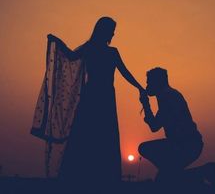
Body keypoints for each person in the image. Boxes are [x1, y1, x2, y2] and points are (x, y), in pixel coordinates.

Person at [47, 17, 145, 190]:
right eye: (112, 30)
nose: (114, 34)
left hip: (96, 96)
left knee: (92, 135)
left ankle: (87, 179)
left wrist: (139, 87)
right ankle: (96, 180)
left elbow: (125, 73)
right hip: (98, 97)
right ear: (104, 30)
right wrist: (57, 42)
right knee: (93, 135)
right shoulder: (101, 50)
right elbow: (71, 56)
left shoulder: (96, 49)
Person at [138, 67, 204, 185]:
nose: (147, 86)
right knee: (165, 178)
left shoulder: (168, 97)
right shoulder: (168, 95)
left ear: (157, 82)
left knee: (144, 149)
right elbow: (155, 124)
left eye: (149, 82)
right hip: (186, 144)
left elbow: (154, 126)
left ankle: (201, 172)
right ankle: (202, 171)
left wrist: (146, 105)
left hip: (186, 145)